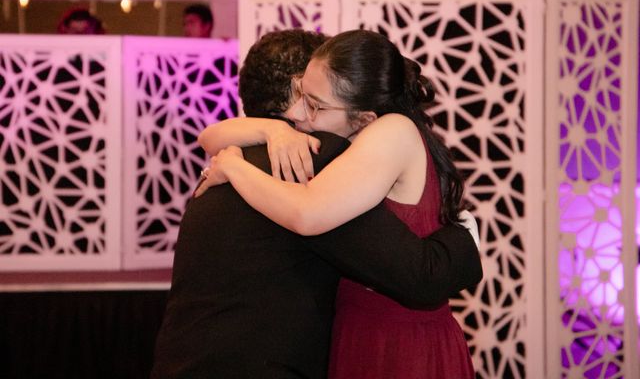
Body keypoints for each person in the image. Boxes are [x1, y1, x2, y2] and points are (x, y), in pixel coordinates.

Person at [151, 30, 482, 378]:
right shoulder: (309, 155)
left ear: (363, 117)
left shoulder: (329, 153)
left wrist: (234, 166)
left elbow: (307, 213)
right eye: (301, 97)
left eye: (315, 104)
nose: (300, 113)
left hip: (183, 359)